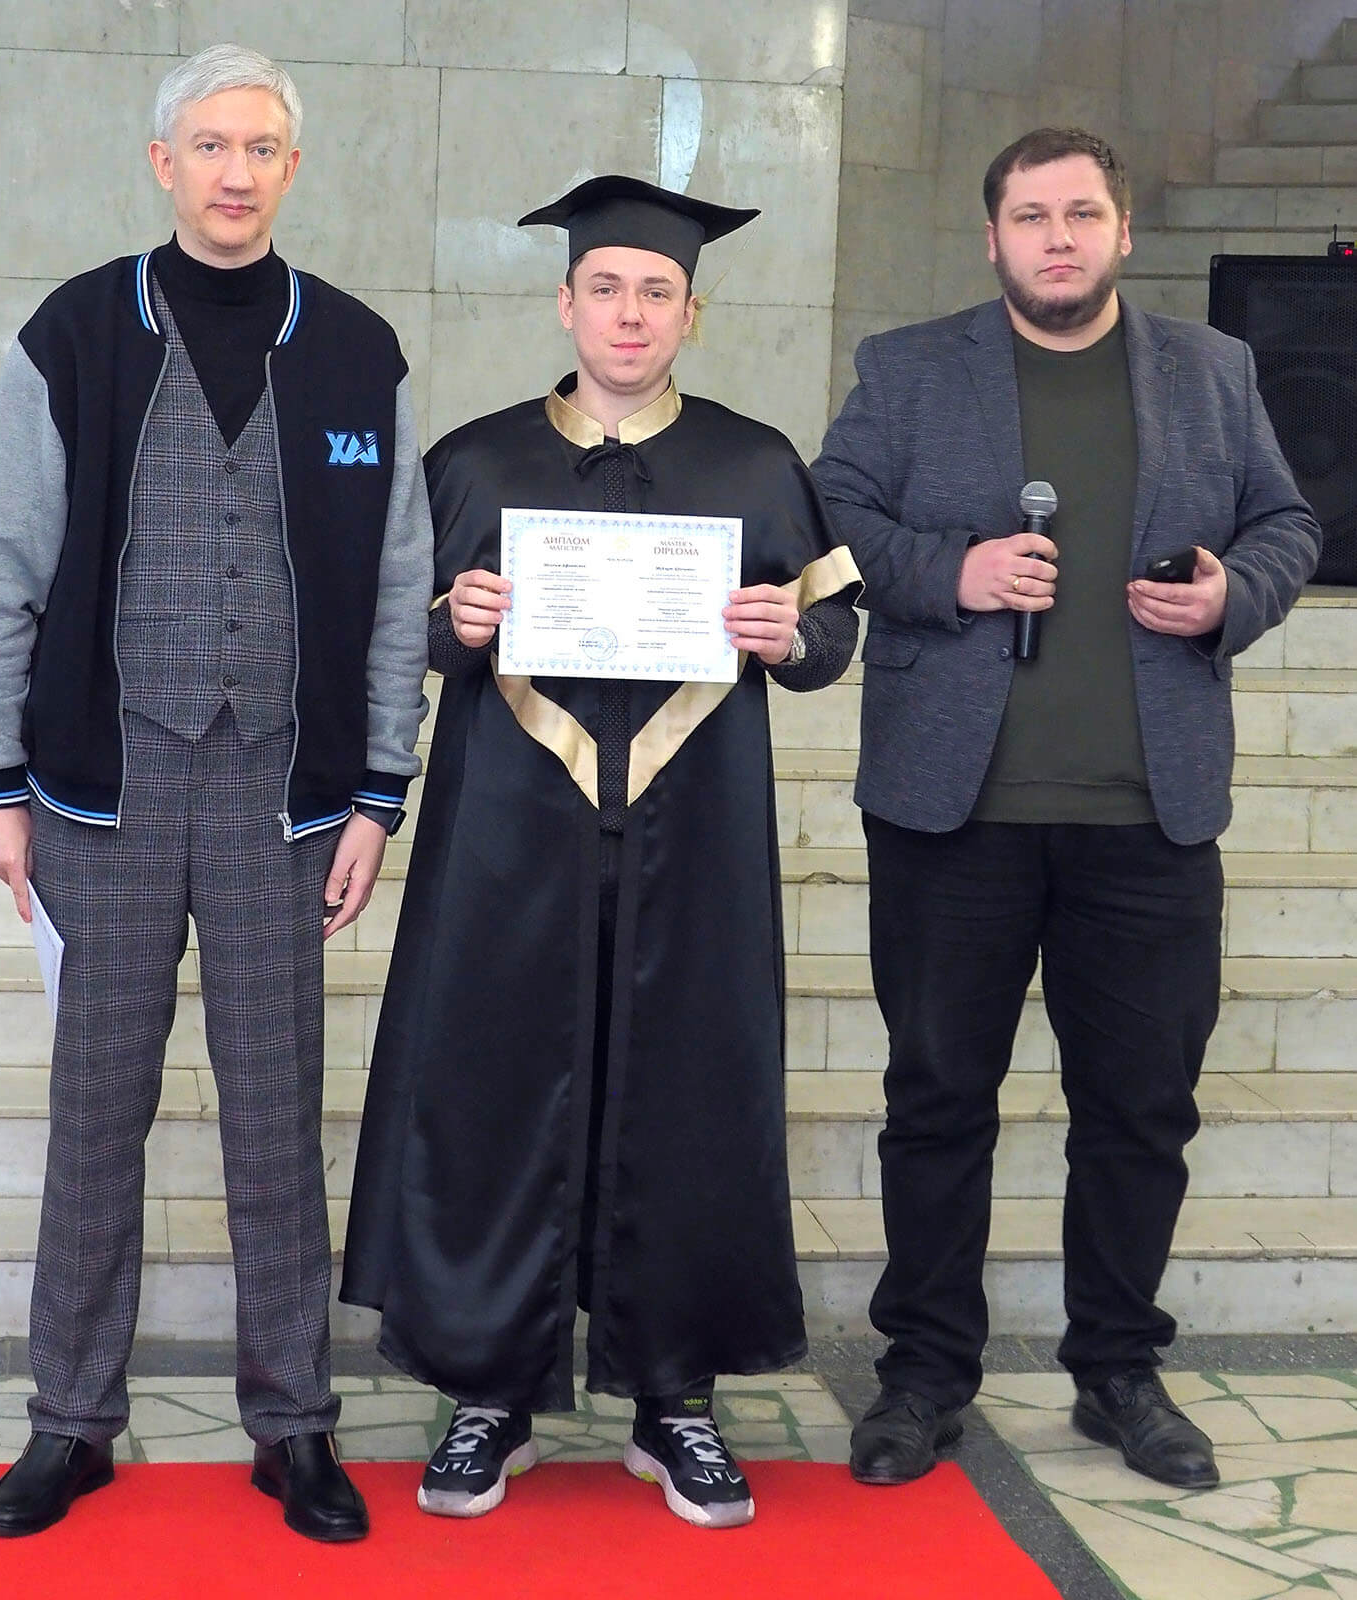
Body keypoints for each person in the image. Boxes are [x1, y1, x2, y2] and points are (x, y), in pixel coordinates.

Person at [0, 44, 431, 1542]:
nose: (235, 171)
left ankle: (294, 1426)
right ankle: (70, 1421)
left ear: (293, 168)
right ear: (164, 163)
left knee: (277, 1120)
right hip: (103, 790)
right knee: (96, 1117)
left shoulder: (357, 352)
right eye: (210, 144)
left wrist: (377, 793)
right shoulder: (72, 336)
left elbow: (399, 586)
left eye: (261, 147)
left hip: (285, 794)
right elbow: (0, 568)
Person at [340, 175, 861, 1529]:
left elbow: (830, 639)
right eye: (607, 288)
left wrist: (788, 638)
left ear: (693, 312)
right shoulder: (477, 462)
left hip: (698, 842)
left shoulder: (755, 464)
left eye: (658, 291)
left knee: (691, 1097)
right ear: (565, 302)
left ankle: (672, 1397)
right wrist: (455, 624)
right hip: (508, 842)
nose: (631, 313)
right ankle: (488, 1390)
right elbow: (397, 640)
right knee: (491, 1087)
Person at [811, 127, 1320, 1493]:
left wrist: (1231, 596)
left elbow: (1288, 524)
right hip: (951, 812)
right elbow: (835, 510)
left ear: (1121, 232)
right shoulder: (911, 368)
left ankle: (1118, 1371)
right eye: (1031, 216)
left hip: (1149, 816)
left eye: (1081, 214)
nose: (1057, 238)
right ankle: (924, 1373)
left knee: (1140, 1109)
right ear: (992, 238)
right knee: (937, 1102)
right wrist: (952, 573)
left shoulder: (1212, 370)